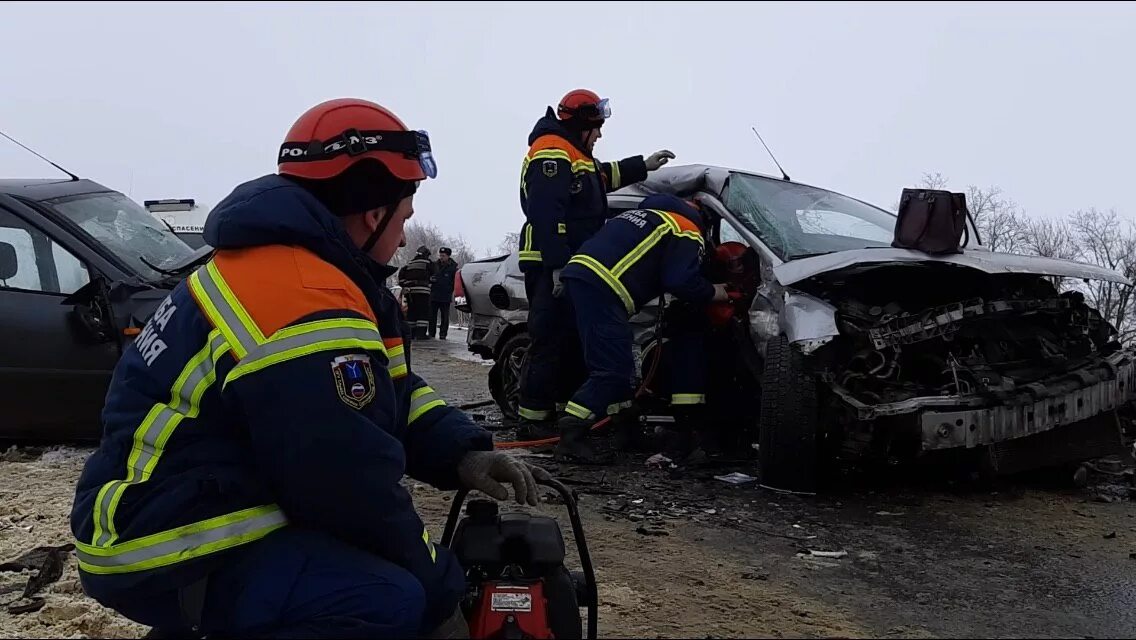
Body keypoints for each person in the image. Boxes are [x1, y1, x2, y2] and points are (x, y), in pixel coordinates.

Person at [69, 97, 550, 639]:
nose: (401, 234)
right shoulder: (303, 295)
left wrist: (461, 450)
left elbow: (384, 392)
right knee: (388, 598)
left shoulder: (296, 268)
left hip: (170, 513)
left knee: (357, 576)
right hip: (165, 542)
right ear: (374, 214)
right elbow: (344, 481)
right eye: (404, 217)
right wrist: (440, 589)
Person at [515, 88, 676, 439]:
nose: (601, 134)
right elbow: (546, 211)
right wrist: (557, 263)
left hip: (572, 263)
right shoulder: (552, 149)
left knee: (572, 340)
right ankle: (533, 420)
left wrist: (642, 165)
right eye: (598, 127)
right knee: (550, 339)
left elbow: (602, 177)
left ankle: (563, 414)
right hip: (548, 264)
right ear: (582, 124)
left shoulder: (576, 154)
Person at [554, 194, 729, 464]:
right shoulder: (686, 227)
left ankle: (627, 429)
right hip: (604, 285)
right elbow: (680, 280)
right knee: (613, 370)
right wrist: (715, 292)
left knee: (617, 362)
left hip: (580, 277)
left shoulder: (645, 217)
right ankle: (572, 432)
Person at [399, 245, 435, 339]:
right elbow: (435, 275)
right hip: (422, 291)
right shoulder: (428, 263)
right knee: (423, 312)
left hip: (410, 292)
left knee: (412, 312)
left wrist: (405, 285)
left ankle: (411, 334)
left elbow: (401, 277)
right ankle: (421, 334)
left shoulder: (410, 263)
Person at [428, 246, 458, 340]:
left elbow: (455, 281)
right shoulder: (434, 265)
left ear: (448, 256)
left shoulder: (453, 267)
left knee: (445, 317)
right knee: (432, 316)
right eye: (440, 255)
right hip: (434, 294)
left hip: (445, 296)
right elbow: (429, 276)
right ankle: (431, 333)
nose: (441, 257)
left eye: (443, 256)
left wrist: (450, 289)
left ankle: (443, 334)